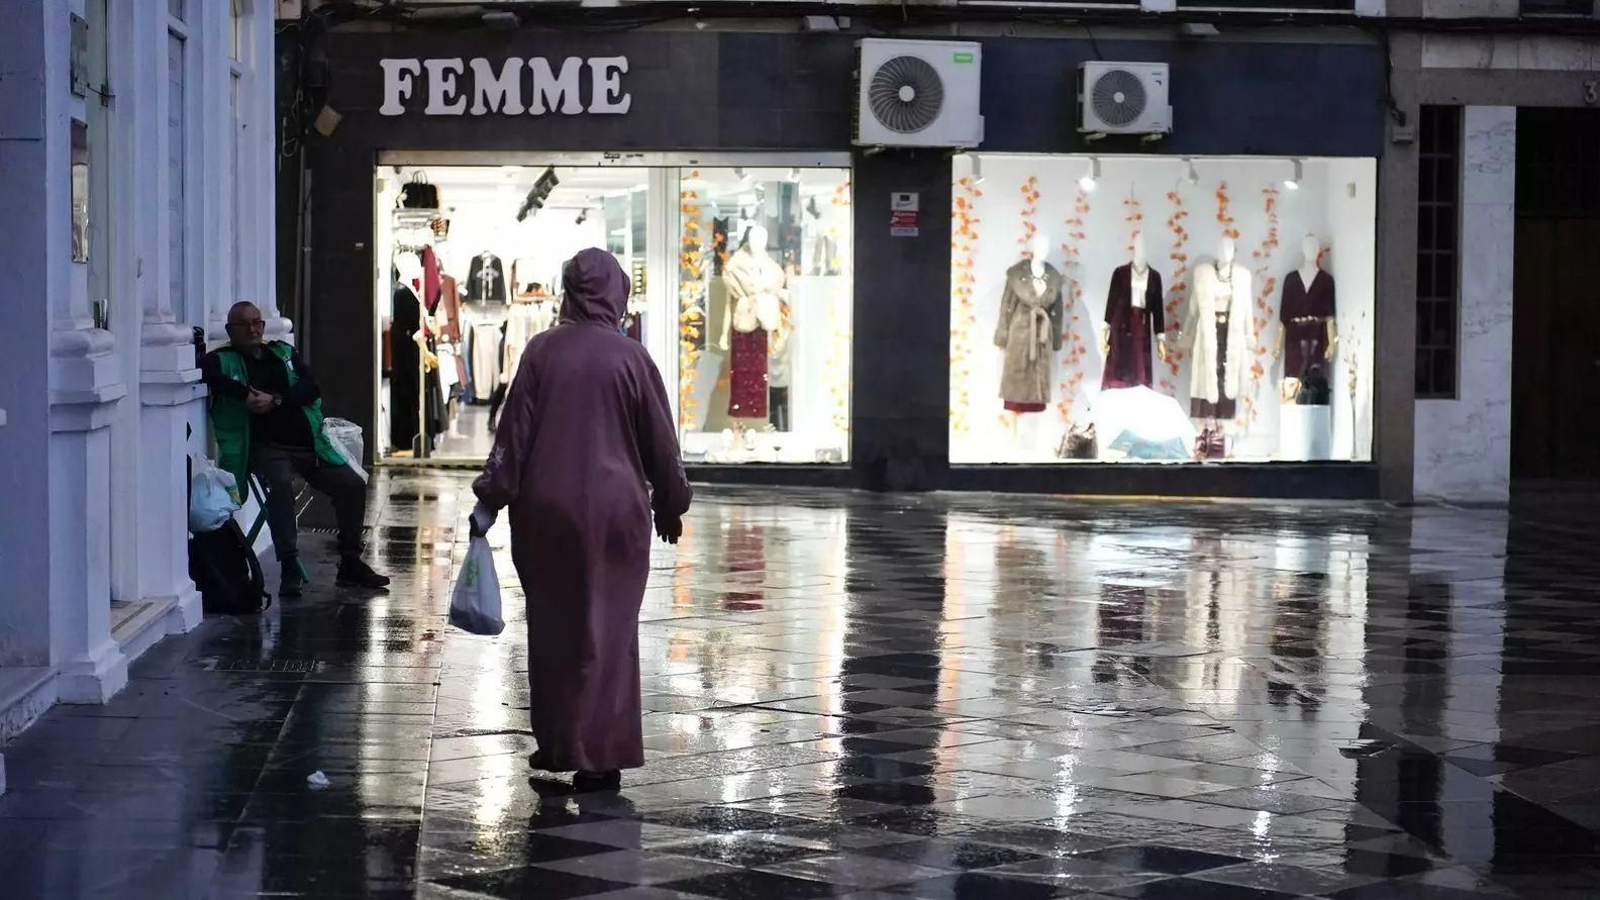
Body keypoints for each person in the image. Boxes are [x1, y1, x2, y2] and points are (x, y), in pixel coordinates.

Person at [471, 249, 692, 793]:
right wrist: (670, 502)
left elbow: (513, 438)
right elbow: (661, 443)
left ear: (568, 289)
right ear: (617, 293)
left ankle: (558, 743)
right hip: (617, 514)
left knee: (553, 629)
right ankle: (602, 755)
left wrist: (490, 499)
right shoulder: (631, 358)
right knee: (610, 632)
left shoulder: (541, 352)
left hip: (546, 514)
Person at [202, 302, 390, 597]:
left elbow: (311, 388)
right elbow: (208, 372)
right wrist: (244, 395)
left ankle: (351, 562)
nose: (253, 329)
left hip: (311, 446)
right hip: (267, 448)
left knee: (352, 483)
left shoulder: (283, 353)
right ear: (230, 330)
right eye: (245, 325)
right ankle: (289, 562)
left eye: (257, 323)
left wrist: (275, 400)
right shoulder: (223, 359)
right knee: (280, 484)